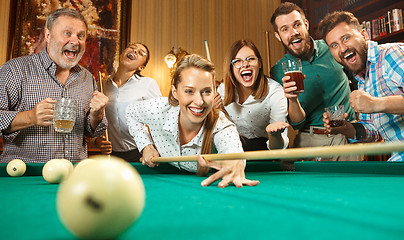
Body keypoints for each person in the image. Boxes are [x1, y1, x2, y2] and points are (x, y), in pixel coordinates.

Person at [126, 54, 260, 188]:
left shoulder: (220, 124)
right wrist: (146, 146)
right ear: (175, 92)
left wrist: (234, 164)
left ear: (214, 92)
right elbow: (130, 112)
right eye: (189, 91)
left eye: (207, 91)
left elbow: (232, 149)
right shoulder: (158, 109)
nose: (199, 101)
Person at [0, 8, 108, 163]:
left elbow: (92, 132)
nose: (75, 41)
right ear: (48, 35)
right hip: (27, 177)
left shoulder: (87, 78)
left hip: (74, 175)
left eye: (81, 36)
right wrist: (30, 117)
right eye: (67, 33)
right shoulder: (14, 70)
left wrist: (97, 114)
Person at [270, 2, 359, 163]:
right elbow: (297, 124)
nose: (293, 32)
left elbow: (359, 79)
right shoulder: (278, 70)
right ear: (278, 36)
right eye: (285, 29)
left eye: (297, 25)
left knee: (353, 187)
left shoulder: (332, 47)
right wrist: (292, 99)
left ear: (306, 24)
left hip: (345, 138)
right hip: (310, 142)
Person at [317, 11, 404, 161]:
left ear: (364, 35)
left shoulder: (391, 54)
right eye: (334, 45)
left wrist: (376, 104)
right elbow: (374, 132)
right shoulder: (362, 80)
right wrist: (345, 128)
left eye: (346, 38)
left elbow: (375, 105)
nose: (342, 49)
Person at [92, 42, 162, 162]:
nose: (135, 51)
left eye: (141, 53)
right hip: (112, 156)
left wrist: (153, 147)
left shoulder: (148, 84)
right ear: (121, 54)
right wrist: (98, 141)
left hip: (139, 153)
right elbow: (95, 122)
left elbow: (160, 120)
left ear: (141, 67)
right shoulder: (101, 86)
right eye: (132, 48)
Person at [215, 39, 289, 151]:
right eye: (237, 61)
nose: (245, 64)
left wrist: (274, 134)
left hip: (267, 155)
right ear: (231, 67)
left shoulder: (275, 91)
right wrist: (212, 113)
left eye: (251, 59)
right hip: (233, 151)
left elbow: (278, 148)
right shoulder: (222, 90)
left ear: (259, 63)